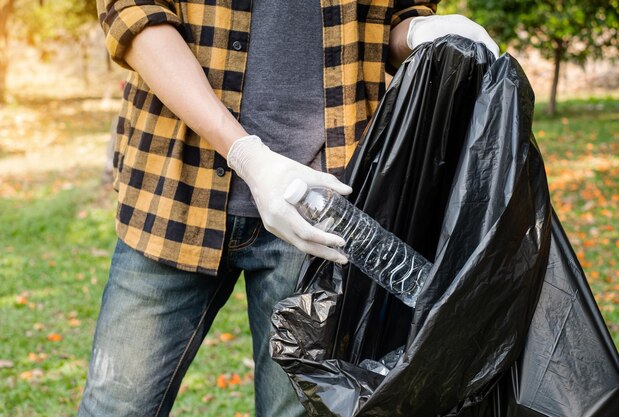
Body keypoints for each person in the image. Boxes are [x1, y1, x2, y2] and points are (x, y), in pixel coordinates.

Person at [79, 1, 498, 416]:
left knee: (298, 410)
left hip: (322, 214)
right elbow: (134, 13)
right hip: (173, 201)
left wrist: (417, 31)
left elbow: (387, 24)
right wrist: (247, 155)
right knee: (115, 407)